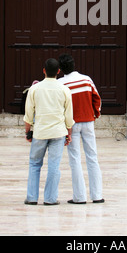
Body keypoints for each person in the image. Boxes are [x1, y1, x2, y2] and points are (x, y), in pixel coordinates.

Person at [24, 58, 74, 206]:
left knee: (34, 164)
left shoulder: (34, 89)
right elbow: (68, 116)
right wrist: (69, 133)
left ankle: (32, 197)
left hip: (40, 132)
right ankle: (50, 199)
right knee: (54, 166)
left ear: (44, 70)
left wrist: (28, 132)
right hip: (58, 132)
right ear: (58, 72)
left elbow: (28, 114)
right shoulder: (64, 89)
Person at [58, 54, 104, 204]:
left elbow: (61, 106)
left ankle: (79, 197)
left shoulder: (61, 84)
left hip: (72, 124)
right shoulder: (86, 79)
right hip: (88, 121)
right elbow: (96, 98)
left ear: (61, 69)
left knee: (75, 159)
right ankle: (97, 195)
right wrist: (94, 114)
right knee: (92, 157)